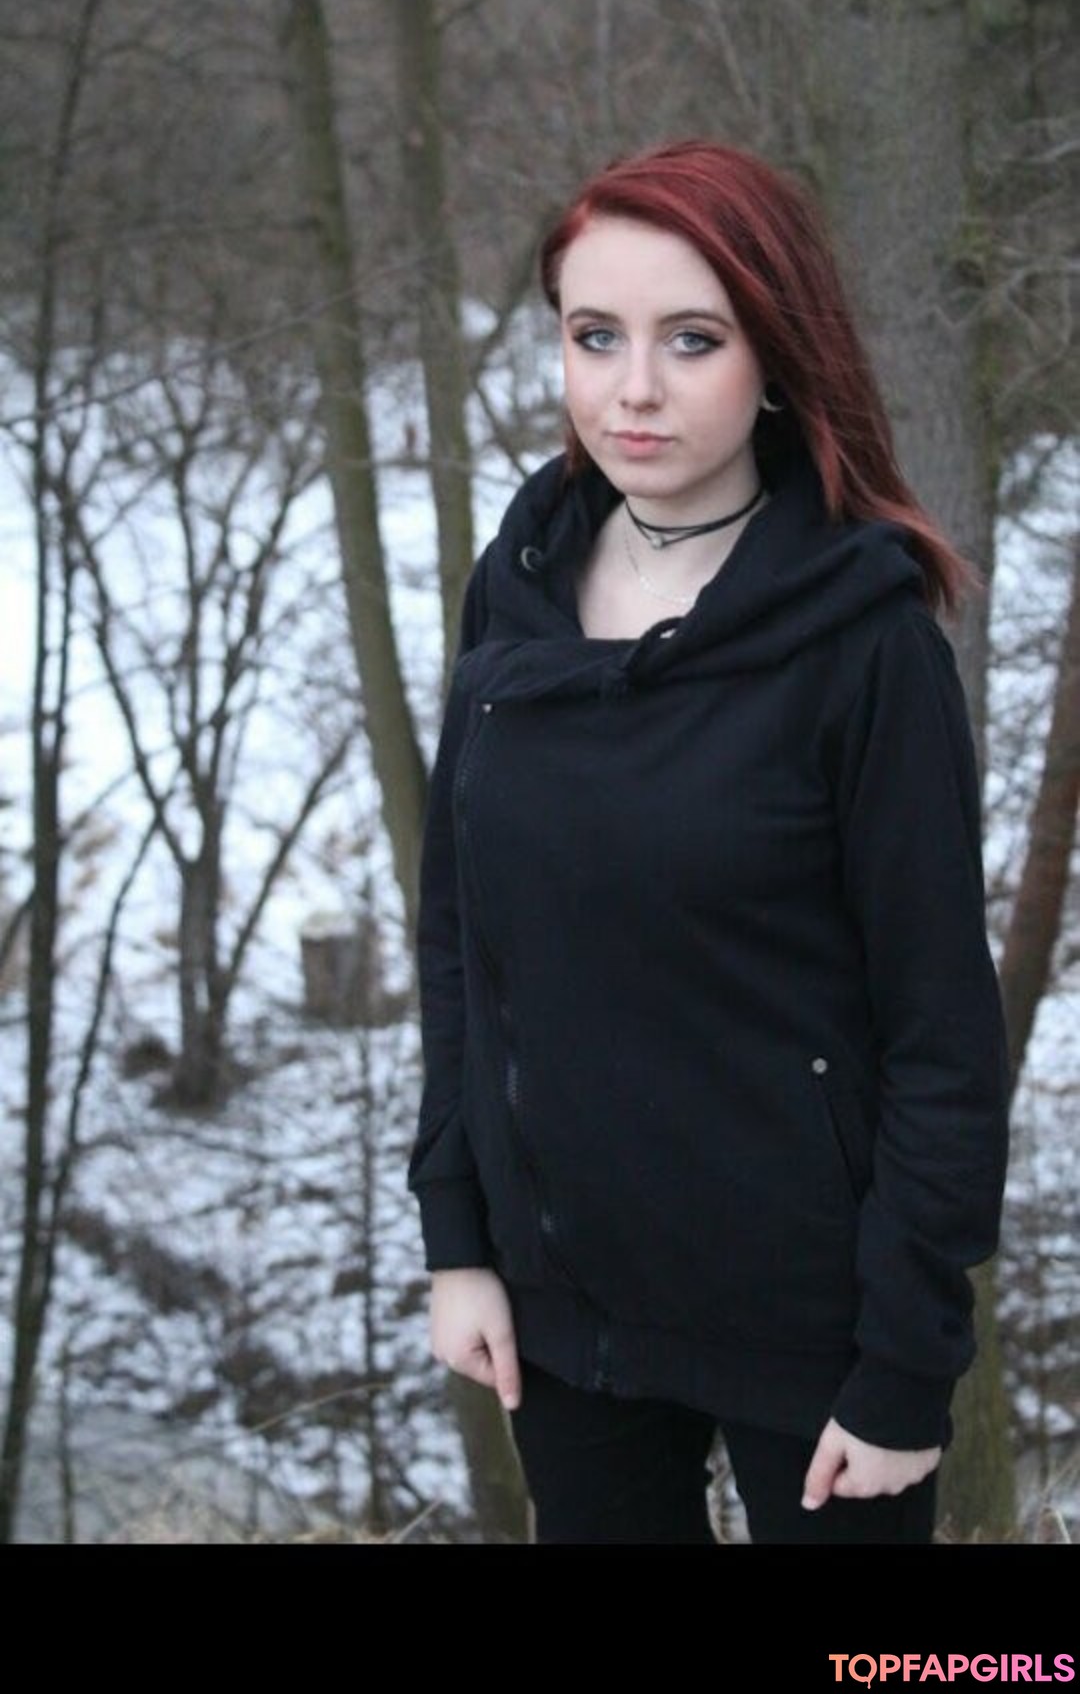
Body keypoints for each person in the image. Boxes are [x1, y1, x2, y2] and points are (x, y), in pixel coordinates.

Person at [407, 139, 1011, 1545]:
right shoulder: (521, 581)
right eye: (593, 335)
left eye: (692, 339)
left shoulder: (864, 644)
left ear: (777, 352)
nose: (634, 389)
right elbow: (463, 935)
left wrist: (906, 1361)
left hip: (815, 1326)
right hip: (564, 1307)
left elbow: (940, 1035)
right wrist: (459, 1239)